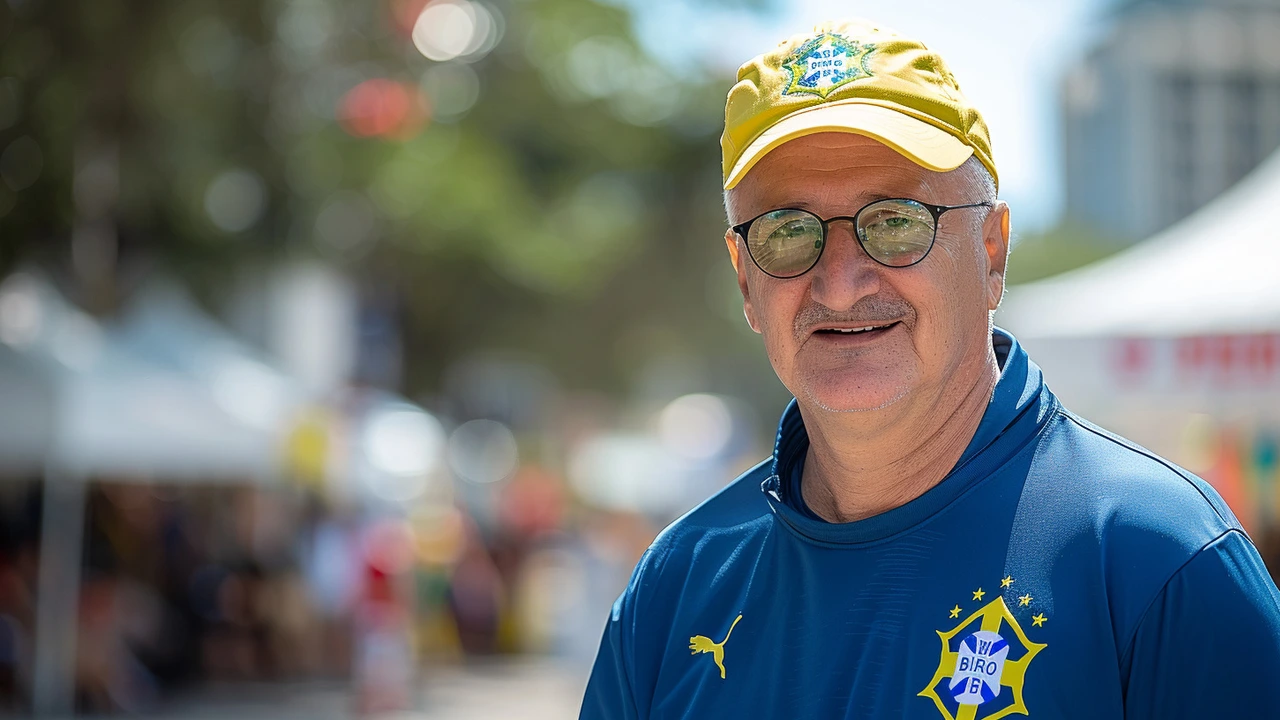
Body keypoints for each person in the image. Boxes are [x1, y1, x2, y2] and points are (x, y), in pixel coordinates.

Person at [579, 18, 1280, 720]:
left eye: (895, 221)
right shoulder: (676, 586)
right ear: (744, 282)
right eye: (787, 232)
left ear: (992, 250)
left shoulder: (1156, 557)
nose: (840, 283)